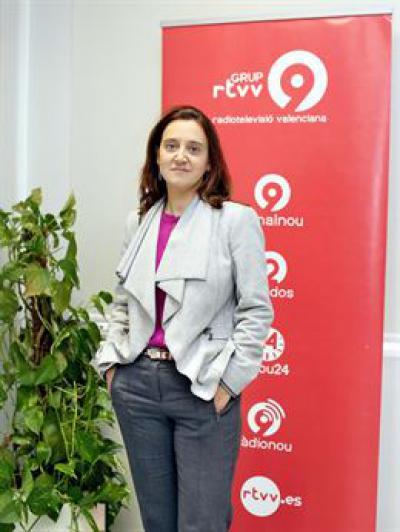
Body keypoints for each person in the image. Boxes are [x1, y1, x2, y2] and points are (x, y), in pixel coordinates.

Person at [91, 105, 274, 532]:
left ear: (209, 162)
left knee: (202, 523)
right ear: (156, 155)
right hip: (137, 385)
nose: (181, 156)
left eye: (194, 148)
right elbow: (123, 301)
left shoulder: (235, 221)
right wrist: (112, 367)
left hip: (202, 386)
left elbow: (255, 309)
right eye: (171, 146)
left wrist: (229, 383)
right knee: (158, 521)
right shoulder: (139, 221)